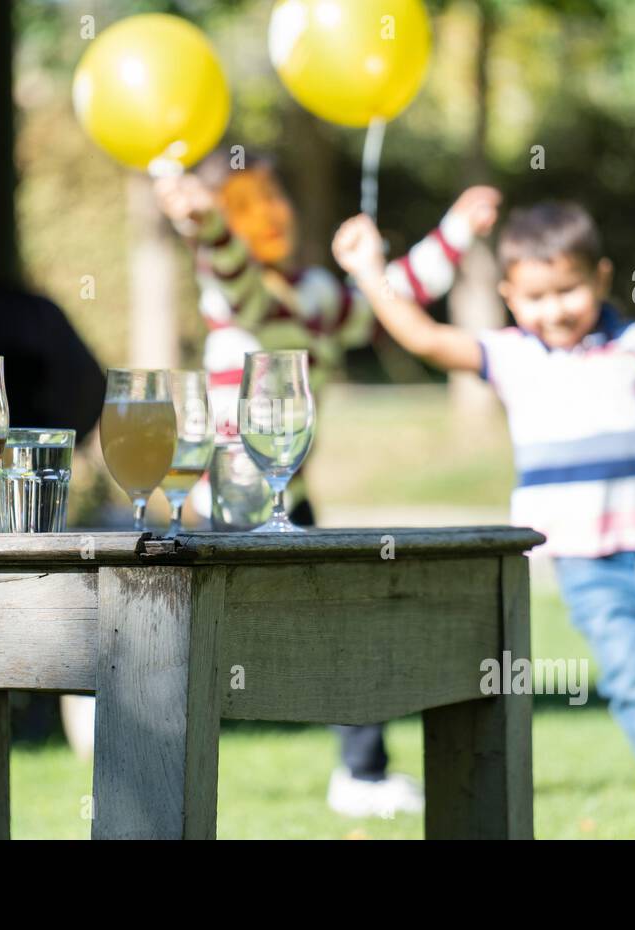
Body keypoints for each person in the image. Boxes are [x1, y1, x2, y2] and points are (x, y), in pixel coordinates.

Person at [333, 195, 635, 837]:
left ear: (601, 278)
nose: (554, 309)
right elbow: (422, 336)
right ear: (508, 296)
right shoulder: (511, 356)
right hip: (587, 561)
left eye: (568, 290)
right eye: (535, 297)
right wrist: (370, 272)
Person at [155, 150, 492, 817]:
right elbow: (228, 263)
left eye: (272, 198)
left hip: (289, 497)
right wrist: (205, 224)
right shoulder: (236, 297)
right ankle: (356, 773)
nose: (270, 214)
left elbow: (389, 294)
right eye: (248, 204)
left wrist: (457, 229)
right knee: (307, 627)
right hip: (228, 501)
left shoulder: (316, 294)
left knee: (332, 623)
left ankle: (360, 773)